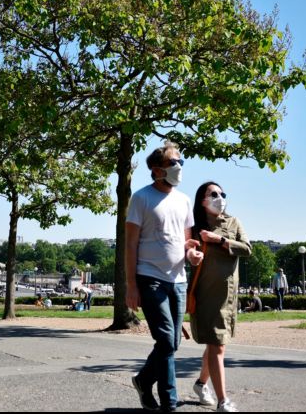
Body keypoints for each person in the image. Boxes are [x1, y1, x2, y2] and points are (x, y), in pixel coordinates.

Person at [126, 142, 202, 412]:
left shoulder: (183, 200)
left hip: (178, 280)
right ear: (157, 170)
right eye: (173, 163)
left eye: (181, 162)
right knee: (167, 340)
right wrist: (131, 286)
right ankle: (170, 403)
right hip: (150, 278)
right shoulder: (141, 198)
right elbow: (131, 244)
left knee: (173, 343)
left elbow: (187, 242)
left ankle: (143, 381)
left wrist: (192, 255)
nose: (179, 167)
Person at [188, 181, 252, 413]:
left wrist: (221, 240)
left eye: (222, 193)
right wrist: (191, 253)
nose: (220, 197)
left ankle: (201, 383)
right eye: (213, 194)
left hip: (230, 295)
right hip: (207, 294)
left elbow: (247, 248)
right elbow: (186, 250)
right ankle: (223, 400)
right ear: (202, 200)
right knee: (216, 344)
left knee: (218, 345)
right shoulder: (194, 226)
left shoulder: (233, 222)